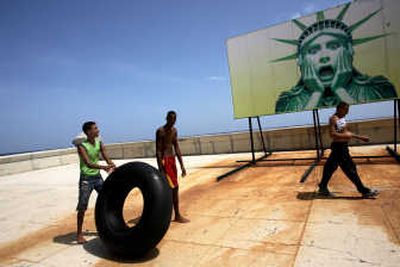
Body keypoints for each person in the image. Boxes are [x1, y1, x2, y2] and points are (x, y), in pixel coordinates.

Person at [274, 4, 397, 113]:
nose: (324, 57)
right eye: (313, 50)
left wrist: (339, 89)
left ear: (349, 49)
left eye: (333, 46)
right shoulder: (288, 101)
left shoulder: (378, 89)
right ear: (300, 60)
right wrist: (316, 94)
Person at [317, 102, 378, 198]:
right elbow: (332, 134)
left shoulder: (342, 119)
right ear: (339, 109)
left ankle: (322, 187)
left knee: (330, 167)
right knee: (349, 169)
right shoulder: (334, 119)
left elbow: (346, 132)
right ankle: (364, 191)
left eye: (347, 109)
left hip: (342, 147)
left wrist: (360, 137)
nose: (347, 111)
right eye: (345, 109)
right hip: (339, 148)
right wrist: (346, 135)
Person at [75, 121, 115, 244]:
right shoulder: (82, 146)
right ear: (88, 132)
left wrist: (111, 164)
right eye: (95, 128)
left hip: (97, 178)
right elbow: (88, 163)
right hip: (86, 179)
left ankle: (107, 226)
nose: (98, 130)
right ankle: (79, 234)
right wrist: (104, 167)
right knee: (82, 206)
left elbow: (104, 153)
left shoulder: (99, 142)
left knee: (107, 200)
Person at [156, 111, 189, 223]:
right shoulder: (160, 131)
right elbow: (158, 151)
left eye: (174, 119)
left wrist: (182, 165)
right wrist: (160, 168)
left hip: (172, 160)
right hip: (165, 161)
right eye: (170, 119)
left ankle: (176, 215)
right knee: (171, 188)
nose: (172, 121)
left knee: (175, 187)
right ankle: (173, 215)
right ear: (166, 118)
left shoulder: (174, 131)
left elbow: (177, 147)